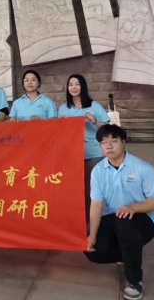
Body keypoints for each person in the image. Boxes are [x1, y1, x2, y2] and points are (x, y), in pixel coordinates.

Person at [85, 124, 154, 300]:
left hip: (143, 219)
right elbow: (96, 204)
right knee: (93, 250)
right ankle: (126, 252)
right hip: (114, 218)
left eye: (114, 141)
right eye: (104, 142)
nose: (109, 146)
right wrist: (92, 235)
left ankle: (135, 281)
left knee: (125, 224)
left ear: (123, 143)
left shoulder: (142, 168)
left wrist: (133, 207)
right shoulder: (98, 171)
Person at [58, 74, 110, 217]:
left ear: (83, 86)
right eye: (70, 85)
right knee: (74, 189)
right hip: (71, 155)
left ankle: (93, 220)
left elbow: (107, 128)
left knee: (91, 189)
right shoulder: (63, 109)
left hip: (93, 154)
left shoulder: (94, 106)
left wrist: (94, 121)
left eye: (77, 84)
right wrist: (61, 124)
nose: (73, 87)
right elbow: (57, 132)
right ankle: (77, 219)